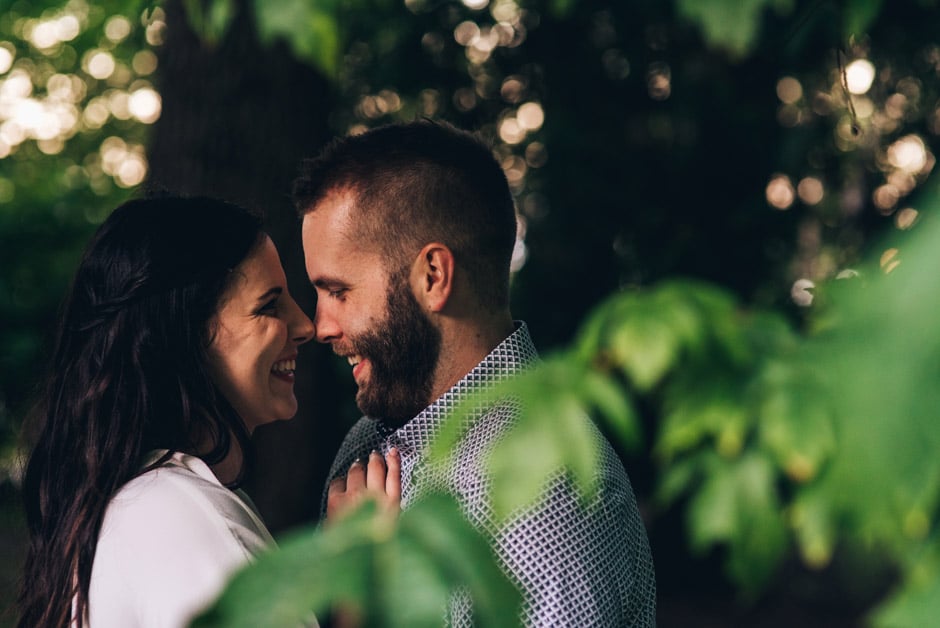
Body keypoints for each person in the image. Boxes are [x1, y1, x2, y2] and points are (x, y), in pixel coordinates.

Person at [294, 120, 656, 626]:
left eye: (338, 292)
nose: (320, 327)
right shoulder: (365, 444)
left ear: (433, 277)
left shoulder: (545, 505)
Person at [16, 196, 399, 628]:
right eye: (269, 305)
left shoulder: (147, 501)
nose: (306, 326)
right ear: (183, 340)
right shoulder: (181, 520)